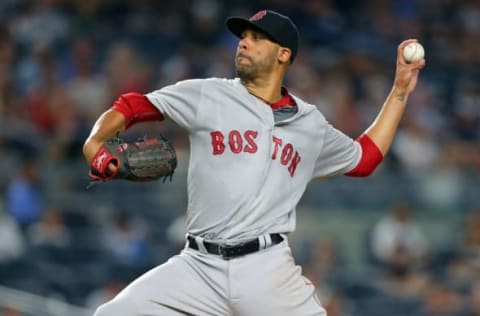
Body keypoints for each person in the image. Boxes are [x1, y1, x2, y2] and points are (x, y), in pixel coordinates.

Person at [83, 9, 425, 316]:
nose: (244, 43)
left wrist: (399, 91)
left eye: (256, 38)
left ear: (283, 54)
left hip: (266, 269)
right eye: (243, 37)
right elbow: (132, 106)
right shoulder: (209, 94)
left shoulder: (310, 124)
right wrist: (96, 143)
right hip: (198, 265)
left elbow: (364, 159)